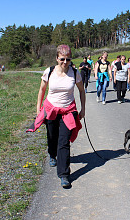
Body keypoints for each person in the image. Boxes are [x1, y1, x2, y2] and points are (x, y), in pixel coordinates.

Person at [32, 44, 85, 188]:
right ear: (56, 58)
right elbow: (42, 90)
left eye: (68, 59)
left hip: (68, 111)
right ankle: (51, 154)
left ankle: (64, 174)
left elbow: (81, 91)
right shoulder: (49, 72)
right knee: (52, 135)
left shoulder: (74, 73)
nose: (65, 62)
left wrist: (83, 109)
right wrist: (38, 109)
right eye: (62, 59)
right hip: (50, 109)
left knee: (64, 142)